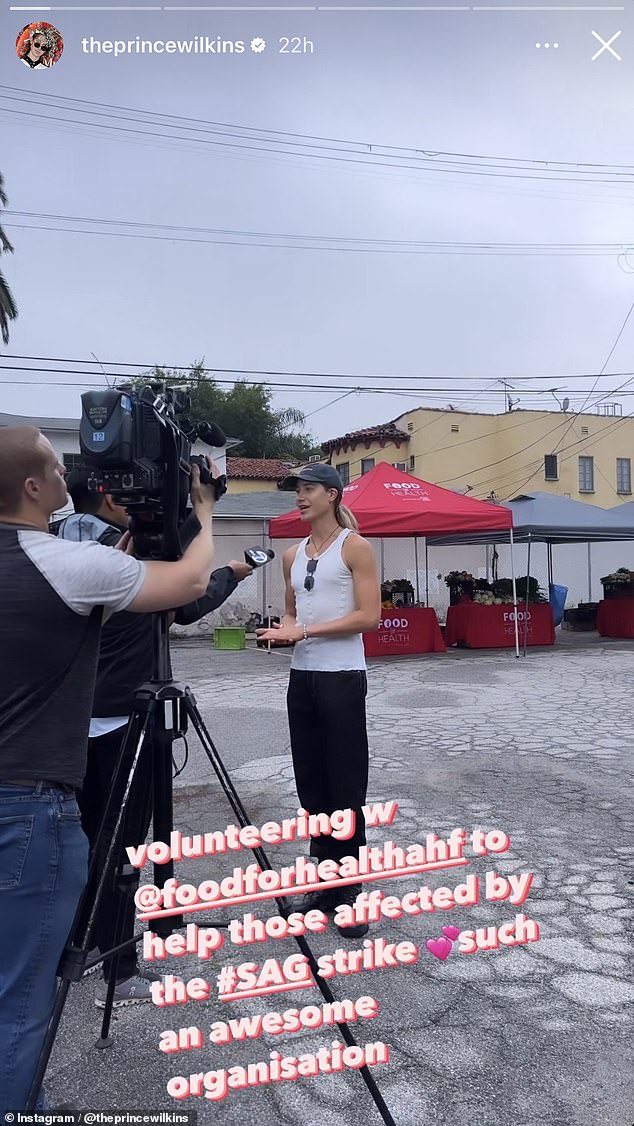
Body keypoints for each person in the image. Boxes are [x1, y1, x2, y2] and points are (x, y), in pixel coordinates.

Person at [0, 426, 218, 1112]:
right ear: (32, 489)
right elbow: (185, 582)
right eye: (56, 469)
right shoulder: (63, 562)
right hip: (28, 807)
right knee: (20, 998)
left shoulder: (67, 561)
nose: (71, 476)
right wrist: (203, 512)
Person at [57, 470, 253, 1008]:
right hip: (124, 719)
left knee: (80, 842)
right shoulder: (114, 561)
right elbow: (185, 599)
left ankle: (68, 951)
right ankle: (117, 967)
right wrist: (207, 521)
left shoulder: (60, 548)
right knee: (120, 847)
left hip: (73, 722)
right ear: (110, 497)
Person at [257, 464, 380, 939]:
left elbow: (368, 616)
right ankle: (322, 879)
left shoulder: (356, 547)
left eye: (308, 490)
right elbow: (293, 609)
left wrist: (304, 630)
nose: (300, 498)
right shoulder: (292, 554)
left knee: (345, 783)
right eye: (297, 491)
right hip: (302, 677)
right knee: (311, 782)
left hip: (342, 677)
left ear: (331, 495)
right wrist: (286, 630)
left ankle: (349, 889)